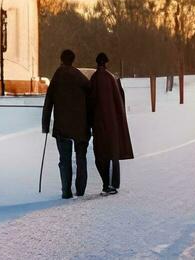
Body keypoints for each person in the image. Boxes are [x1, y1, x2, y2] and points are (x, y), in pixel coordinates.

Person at [42, 48, 91, 199]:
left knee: (65, 159)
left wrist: (45, 125)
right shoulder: (80, 77)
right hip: (81, 126)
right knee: (81, 157)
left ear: (61, 60)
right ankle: (81, 190)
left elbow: (48, 102)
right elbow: (91, 97)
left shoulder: (57, 76)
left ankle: (66, 191)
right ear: (73, 60)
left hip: (62, 127)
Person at [88, 52, 134, 196]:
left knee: (101, 153)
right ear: (106, 63)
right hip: (113, 122)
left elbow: (90, 102)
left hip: (99, 123)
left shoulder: (94, 79)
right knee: (112, 153)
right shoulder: (112, 78)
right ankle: (113, 184)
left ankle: (105, 184)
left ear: (97, 63)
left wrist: (90, 122)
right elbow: (120, 100)